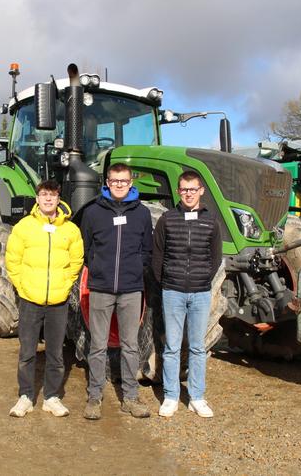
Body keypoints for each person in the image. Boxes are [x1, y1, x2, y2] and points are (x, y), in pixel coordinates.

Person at [5, 180, 84, 418]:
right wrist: (23, 287)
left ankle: (51, 397)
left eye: (52, 195)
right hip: (30, 299)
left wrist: (64, 285)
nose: (48, 199)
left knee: (56, 354)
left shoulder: (70, 230)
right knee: (27, 352)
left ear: (59, 198)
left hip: (58, 302)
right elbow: (13, 260)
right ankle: (26, 396)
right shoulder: (23, 227)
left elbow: (76, 261)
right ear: (37, 198)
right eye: (44, 195)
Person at [80, 163, 152, 420]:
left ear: (131, 183)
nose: (119, 184)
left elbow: (147, 249)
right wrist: (99, 269)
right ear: (107, 183)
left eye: (123, 180)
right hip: (101, 288)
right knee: (97, 345)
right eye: (114, 180)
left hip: (131, 290)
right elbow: (87, 248)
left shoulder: (142, 213)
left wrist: (134, 271)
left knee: (130, 345)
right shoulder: (93, 212)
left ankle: (130, 398)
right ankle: (94, 397)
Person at [152, 170, 222, 418]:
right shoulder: (167, 220)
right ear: (178, 192)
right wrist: (167, 282)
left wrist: (203, 278)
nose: (189, 193)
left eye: (193, 189)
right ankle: (170, 396)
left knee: (197, 347)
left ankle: (197, 397)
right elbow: (158, 255)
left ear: (201, 191)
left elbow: (215, 257)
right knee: (171, 346)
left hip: (201, 293)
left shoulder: (211, 221)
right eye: (184, 189)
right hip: (173, 292)